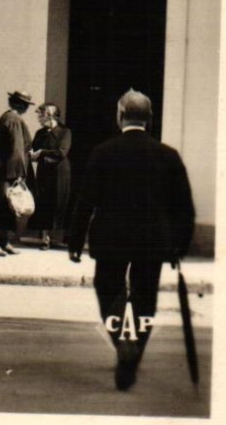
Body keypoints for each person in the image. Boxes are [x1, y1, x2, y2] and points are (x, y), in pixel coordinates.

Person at [68, 90, 195, 391]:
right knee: (145, 297)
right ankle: (134, 349)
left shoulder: (103, 152)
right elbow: (184, 208)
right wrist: (179, 246)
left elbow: (85, 201)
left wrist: (74, 240)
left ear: (119, 116)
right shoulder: (168, 155)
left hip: (111, 238)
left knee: (108, 290)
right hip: (153, 240)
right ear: (150, 120)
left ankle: (119, 341)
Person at [0, 89, 35, 255]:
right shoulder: (14, 120)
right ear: (22, 105)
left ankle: (4, 242)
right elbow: (16, 149)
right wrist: (17, 174)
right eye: (26, 105)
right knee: (2, 207)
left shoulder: (8, 117)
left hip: (3, 171)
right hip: (6, 173)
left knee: (7, 208)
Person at [29, 103, 74, 250]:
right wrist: (33, 154)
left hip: (60, 173)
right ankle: (45, 238)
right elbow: (32, 149)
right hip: (44, 172)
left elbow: (61, 152)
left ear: (51, 116)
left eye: (41, 115)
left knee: (59, 202)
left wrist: (41, 152)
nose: (39, 119)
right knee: (43, 202)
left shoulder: (65, 132)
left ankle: (60, 237)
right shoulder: (40, 133)